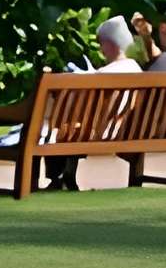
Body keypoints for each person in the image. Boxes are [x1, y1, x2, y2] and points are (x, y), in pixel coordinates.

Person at [41, 13, 143, 191]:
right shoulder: (136, 69)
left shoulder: (103, 75)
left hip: (97, 132)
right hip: (123, 130)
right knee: (70, 127)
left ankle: (57, 178)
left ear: (110, 44)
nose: (101, 48)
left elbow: (76, 107)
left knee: (56, 128)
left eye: (102, 43)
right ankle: (67, 176)